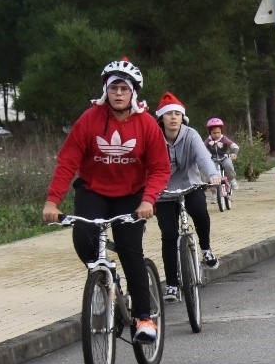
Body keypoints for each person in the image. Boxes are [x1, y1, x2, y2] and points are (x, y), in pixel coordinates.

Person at [42, 57, 171, 342]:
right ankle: (103, 282)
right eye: (114, 88)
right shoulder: (90, 119)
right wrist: (52, 202)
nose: (118, 94)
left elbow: (160, 168)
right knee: (83, 238)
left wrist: (149, 200)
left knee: (129, 251)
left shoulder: (147, 124)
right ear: (106, 90)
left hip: (132, 195)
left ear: (133, 92)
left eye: (124, 89)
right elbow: (67, 161)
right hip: (94, 191)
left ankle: (144, 318)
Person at [153, 92, 221, 302]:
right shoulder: (153, 137)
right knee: (169, 235)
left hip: (190, 186)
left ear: (183, 117)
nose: (173, 117)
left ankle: (206, 248)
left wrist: (212, 174)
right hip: (163, 193)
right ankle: (172, 285)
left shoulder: (190, 135)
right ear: (161, 117)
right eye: (169, 114)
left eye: (177, 113)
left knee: (200, 211)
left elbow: (203, 157)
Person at [203, 118, 239, 191]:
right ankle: (213, 188)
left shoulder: (224, 139)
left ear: (221, 132)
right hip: (213, 159)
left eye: (218, 132)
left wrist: (234, 153)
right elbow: (202, 148)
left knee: (228, 165)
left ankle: (232, 179)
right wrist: (206, 154)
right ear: (210, 133)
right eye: (214, 133)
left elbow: (235, 146)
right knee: (210, 169)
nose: (217, 135)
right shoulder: (208, 140)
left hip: (224, 157)